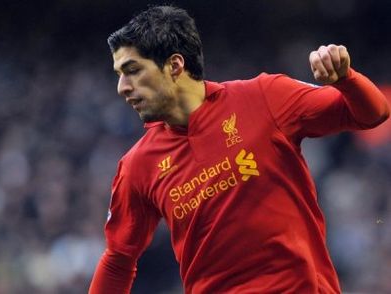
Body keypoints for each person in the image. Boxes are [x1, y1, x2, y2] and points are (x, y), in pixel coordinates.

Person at [89, 5, 389, 294]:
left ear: (175, 65)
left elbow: (372, 113)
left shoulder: (264, 97)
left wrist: (346, 80)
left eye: (132, 70)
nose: (122, 87)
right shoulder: (137, 166)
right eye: (119, 74)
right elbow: (118, 261)